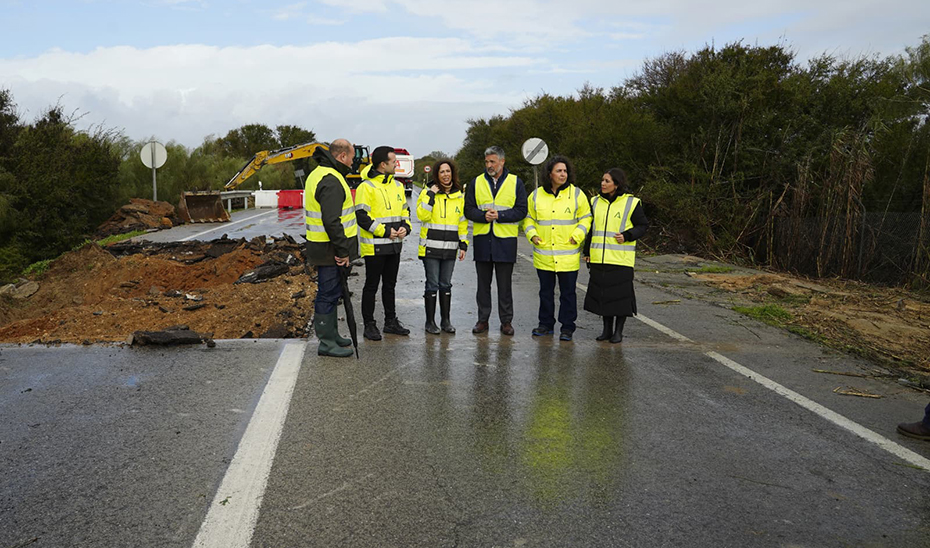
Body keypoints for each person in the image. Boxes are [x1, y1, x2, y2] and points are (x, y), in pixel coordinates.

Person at [523, 156, 591, 341]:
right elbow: (528, 218)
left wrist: (577, 236)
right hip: (544, 255)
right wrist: (532, 235)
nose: (563, 174)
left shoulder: (577, 194)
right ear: (549, 174)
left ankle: (567, 327)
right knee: (545, 292)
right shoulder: (536, 195)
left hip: (568, 255)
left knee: (568, 294)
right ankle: (545, 325)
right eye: (559, 171)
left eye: (565, 171)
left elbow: (586, 218)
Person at [464, 146, 528, 335]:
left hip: (505, 243)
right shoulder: (476, 182)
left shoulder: (516, 182)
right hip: (483, 241)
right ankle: (482, 320)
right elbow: (468, 209)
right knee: (483, 286)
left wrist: (499, 215)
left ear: (502, 161)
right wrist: (483, 216)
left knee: (504, 286)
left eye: (492, 161)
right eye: (486, 162)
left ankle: (506, 321)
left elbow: (521, 210)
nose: (489, 165)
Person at [304, 139, 359, 358]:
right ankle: (326, 343)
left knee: (333, 292)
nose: (353, 162)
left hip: (323, 247)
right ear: (342, 156)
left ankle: (333, 335)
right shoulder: (331, 179)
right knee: (327, 294)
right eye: (352, 158)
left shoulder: (320, 174)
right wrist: (343, 251)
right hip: (329, 249)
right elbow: (332, 221)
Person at [583, 168, 648, 343]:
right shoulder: (594, 202)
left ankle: (618, 332)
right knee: (603, 297)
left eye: (607, 181)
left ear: (616, 184)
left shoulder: (631, 203)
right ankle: (606, 330)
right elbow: (591, 229)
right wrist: (587, 251)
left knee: (620, 298)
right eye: (602, 180)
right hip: (599, 259)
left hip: (620, 260)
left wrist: (627, 235)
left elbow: (642, 226)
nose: (603, 184)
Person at [355, 145, 413, 340]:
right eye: (393, 161)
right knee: (371, 286)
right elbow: (362, 217)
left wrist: (406, 226)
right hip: (374, 246)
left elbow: (405, 210)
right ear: (382, 164)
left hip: (395, 245)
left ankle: (390, 322)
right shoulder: (366, 186)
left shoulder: (397, 185)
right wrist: (386, 231)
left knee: (390, 285)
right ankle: (369, 325)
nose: (396, 164)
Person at [416, 159, 468, 334]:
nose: (446, 175)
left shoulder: (459, 195)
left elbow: (462, 222)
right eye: (442, 172)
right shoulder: (426, 193)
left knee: (446, 284)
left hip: (450, 248)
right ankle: (430, 322)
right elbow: (422, 215)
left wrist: (463, 244)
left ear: (452, 173)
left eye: (448, 171)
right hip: (431, 247)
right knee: (432, 284)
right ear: (437, 175)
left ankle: (446, 321)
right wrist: (431, 195)